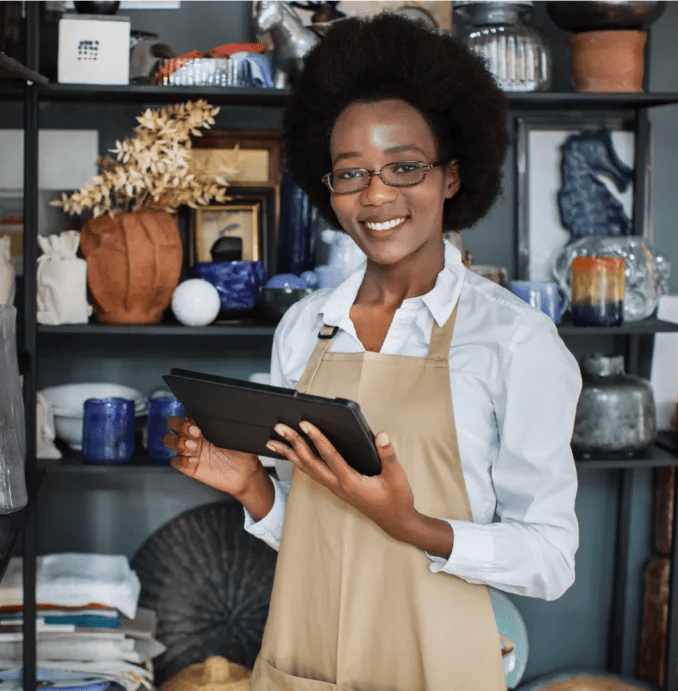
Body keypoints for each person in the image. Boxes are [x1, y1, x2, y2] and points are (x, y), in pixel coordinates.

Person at [165, 13, 580, 691]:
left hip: (437, 670)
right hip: (307, 665)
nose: (377, 195)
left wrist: (414, 524)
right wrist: (249, 485)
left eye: (404, 167)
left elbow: (551, 559)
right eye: (351, 174)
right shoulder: (305, 329)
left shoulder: (513, 341)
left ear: (451, 175)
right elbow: (316, 535)